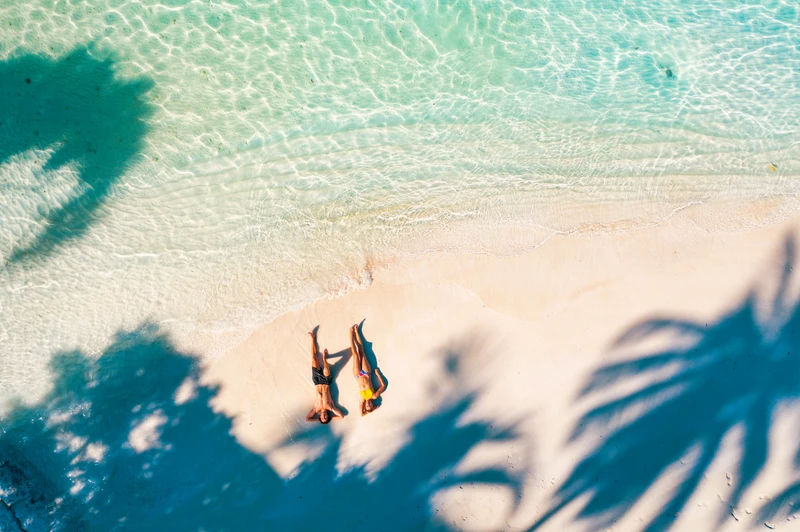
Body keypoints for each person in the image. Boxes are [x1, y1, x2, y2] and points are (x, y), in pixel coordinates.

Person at [305, 330, 344, 424]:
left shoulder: (316, 408)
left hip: (317, 382)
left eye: (322, 418)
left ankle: (313, 338)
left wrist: (317, 419)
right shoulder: (331, 407)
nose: (324, 416)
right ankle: (324, 359)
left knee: (314, 358)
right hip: (326, 382)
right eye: (326, 417)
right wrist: (331, 417)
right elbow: (341, 416)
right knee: (326, 369)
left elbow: (307, 419)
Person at [350, 324, 386, 416]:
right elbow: (383, 386)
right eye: (370, 405)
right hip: (366, 373)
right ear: (372, 404)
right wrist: (378, 374)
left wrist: (371, 410)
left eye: (367, 406)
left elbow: (362, 415)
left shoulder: (362, 400)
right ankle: (357, 331)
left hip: (357, 375)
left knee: (355, 355)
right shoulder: (374, 396)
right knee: (362, 352)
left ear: (365, 406)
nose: (368, 404)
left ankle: (351, 335)